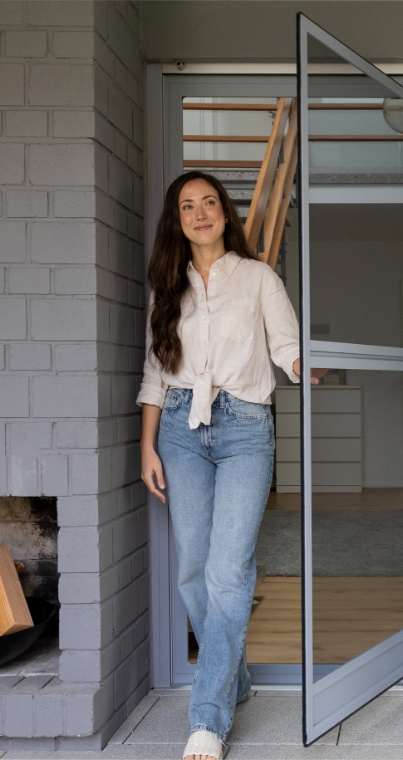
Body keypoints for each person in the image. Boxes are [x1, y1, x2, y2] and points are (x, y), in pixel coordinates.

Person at [136, 171, 315, 760]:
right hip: (181, 433)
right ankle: (234, 677)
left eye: (209, 202)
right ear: (177, 219)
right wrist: (147, 446)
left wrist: (300, 366)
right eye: (187, 206)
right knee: (192, 566)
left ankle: (207, 719)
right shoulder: (167, 286)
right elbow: (156, 375)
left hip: (244, 428)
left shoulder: (259, 277)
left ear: (224, 213)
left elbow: (286, 341)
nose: (199, 213)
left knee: (228, 569)